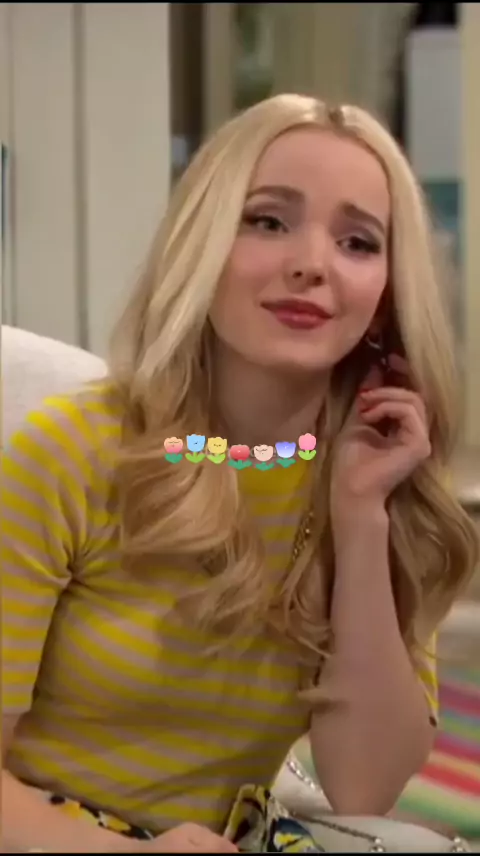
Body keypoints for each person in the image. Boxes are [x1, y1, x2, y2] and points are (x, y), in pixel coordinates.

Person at [2, 93, 477, 854]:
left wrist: (360, 518)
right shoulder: (73, 449)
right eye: (267, 221)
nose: (311, 263)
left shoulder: (381, 473)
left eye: (357, 242)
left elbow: (364, 789)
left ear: (388, 295)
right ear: (204, 243)